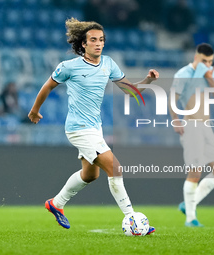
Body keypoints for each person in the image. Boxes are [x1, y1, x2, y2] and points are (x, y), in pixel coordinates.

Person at [28, 18, 159, 231]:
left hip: (95, 128)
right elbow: (47, 86)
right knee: (115, 167)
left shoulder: (108, 63)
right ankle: (133, 220)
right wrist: (35, 110)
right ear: (83, 44)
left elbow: (129, 91)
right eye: (93, 40)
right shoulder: (69, 67)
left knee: (90, 175)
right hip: (78, 128)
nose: (98, 43)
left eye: (101, 40)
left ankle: (56, 203)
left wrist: (147, 81)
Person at [169, 43, 214, 227]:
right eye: (204, 61)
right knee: (195, 171)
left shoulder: (210, 73)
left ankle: (188, 204)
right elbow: (173, 99)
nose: (207, 64)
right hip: (191, 125)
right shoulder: (183, 74)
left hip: (206, 126)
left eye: (210, 61)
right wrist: (176, 120)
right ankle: (190, 219)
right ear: (196, 57)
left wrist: (210, 78)